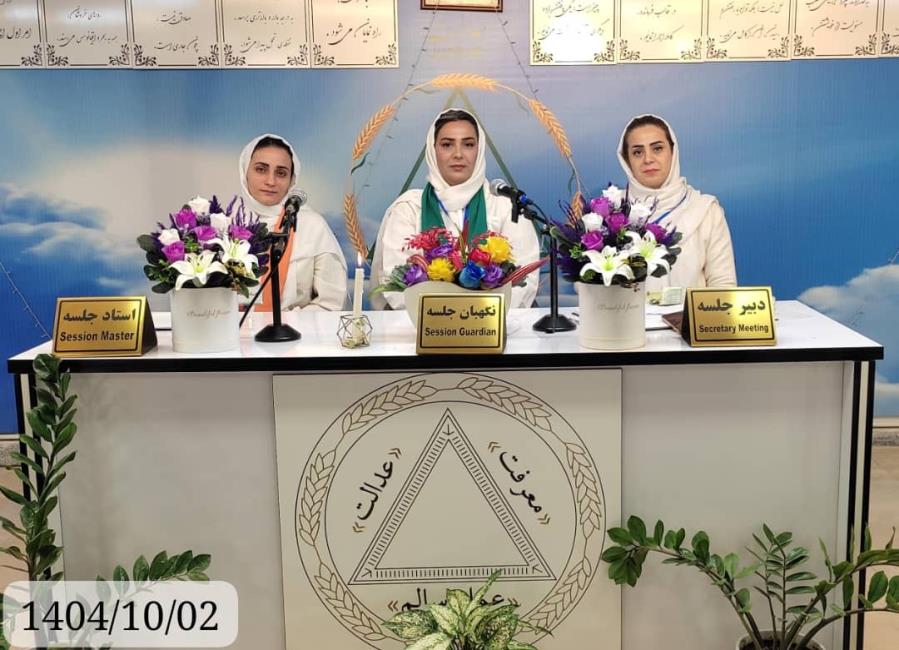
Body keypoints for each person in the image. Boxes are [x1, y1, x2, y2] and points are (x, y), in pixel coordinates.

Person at [371, 108, 541, 309]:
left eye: (468, 144)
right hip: (422, 324)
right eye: (447, 145)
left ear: (479, 150)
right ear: (432, 150)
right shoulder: (409, 208)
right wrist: (446, 319)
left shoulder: (506, 206)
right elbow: (397, 282)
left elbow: (523, 283)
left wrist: (479, 318)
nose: (458, 154)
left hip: (497, 323)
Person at [618, 114, 736, 290]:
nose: (648, 159)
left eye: (657, 149)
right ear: (627, 160)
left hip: (691, 310)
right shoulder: (610, 213)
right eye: (637, 152)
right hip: (624, 309)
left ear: (673, 152)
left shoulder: (705, 210)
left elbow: (723, 285)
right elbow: (589, 287)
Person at [238, 133, 347, 311]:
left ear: (291, 179)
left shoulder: (312, 227)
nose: (270, 181)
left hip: (296, 329)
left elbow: (330, 303)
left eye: (281, 173)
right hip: (230, 328)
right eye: (261, 169)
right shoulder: (222, 225)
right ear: (245, 172)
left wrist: (288, 323)